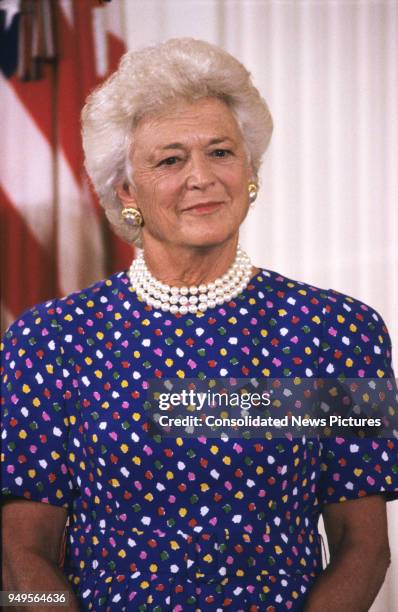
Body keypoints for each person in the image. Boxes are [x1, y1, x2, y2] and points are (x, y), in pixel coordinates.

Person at [1, 38, 397, 612]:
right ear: (127, 190)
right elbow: (20, 563)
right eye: (170, 159)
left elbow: (365, 548)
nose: (201, 177)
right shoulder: (50, 340)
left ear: (250, 170)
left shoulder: (337, 331)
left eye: (220, 152)